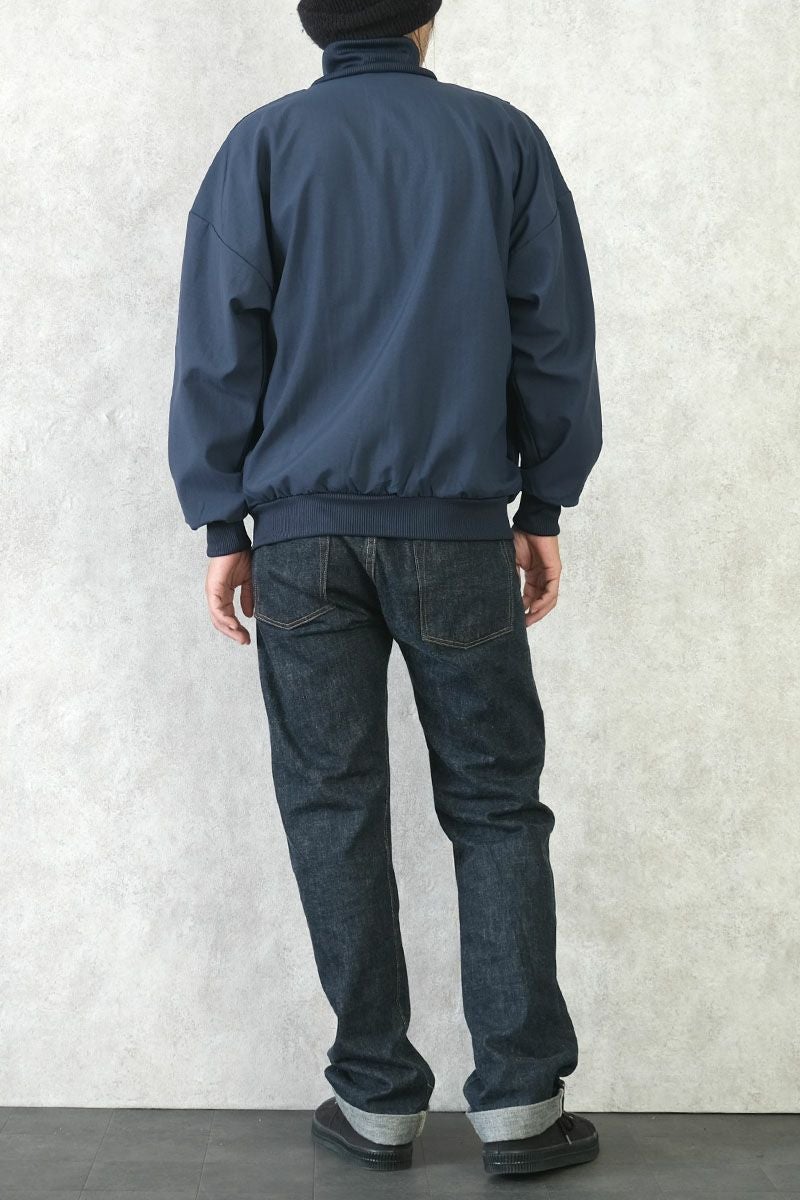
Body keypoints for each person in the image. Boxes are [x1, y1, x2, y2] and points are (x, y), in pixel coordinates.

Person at [167, 0, 603, 1179]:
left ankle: (372, 1100)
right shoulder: (499, 139)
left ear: (311, 19)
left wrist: (222, 523)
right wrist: (542, 504)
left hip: (298, 541)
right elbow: (550, 334)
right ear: (429, 13)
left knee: (331, 808)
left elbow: (218, 345)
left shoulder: (261, 145)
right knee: (495, 807)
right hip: (456, 530)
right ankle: (520, 1108)